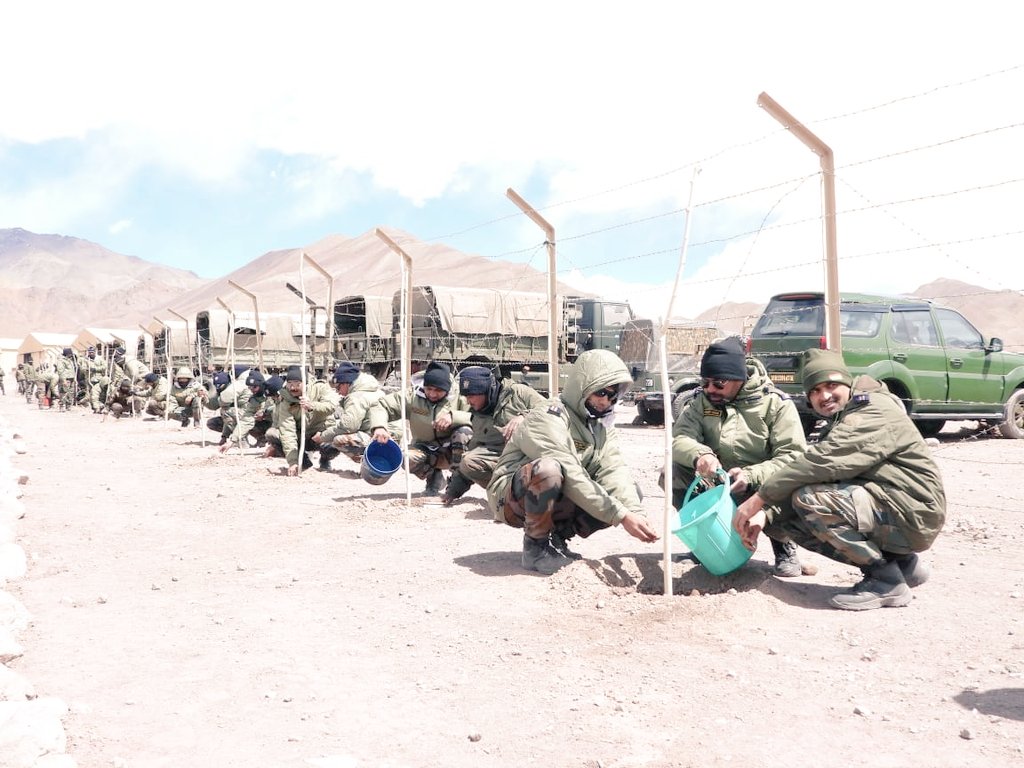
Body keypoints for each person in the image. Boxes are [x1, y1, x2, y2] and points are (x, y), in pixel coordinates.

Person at [733, 349, 947, 611]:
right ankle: (902, 564)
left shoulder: (872, 410)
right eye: (815, 390)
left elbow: (821, 461)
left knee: (811, 500)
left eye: (831, 385)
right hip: (897, 508)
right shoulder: (845, 416)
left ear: (847, 382)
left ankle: (885, 581)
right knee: (789, 515)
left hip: (914, 513)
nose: (824, 396)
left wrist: (759, 499)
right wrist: (767, 515)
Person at [488, 349, 660, 575]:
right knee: (549, 469)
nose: (606, 401)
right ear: (583, 385)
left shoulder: (599, 426)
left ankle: (557, 539)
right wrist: (619, 515)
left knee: (630, 494)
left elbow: (613, 470)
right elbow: (569, 471)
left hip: (561, 487)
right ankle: (535, 549)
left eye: (613, 396)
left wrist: (634, 512)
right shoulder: (548, 417)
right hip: (511, 497)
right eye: (601, 392)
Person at [669, 337, 809, 577]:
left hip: (760, 483)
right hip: (718, 481)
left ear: (739, 378)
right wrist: (699, 455)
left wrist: (752, 474)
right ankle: (707, 542)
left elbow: (793, 457)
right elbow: (680, 438)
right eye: (705, 382)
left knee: (789, 485)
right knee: (673, 472)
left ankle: (784, 546)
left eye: (718, 383)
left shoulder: (775, 404)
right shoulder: (701, 401)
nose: (710, 389)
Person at [442, 366, 546, 505]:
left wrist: (524, 416)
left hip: (532, 456)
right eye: (466, 397)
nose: (468, 402)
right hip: (506, 464)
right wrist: (452, 492)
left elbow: (550, 408)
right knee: (468, 462)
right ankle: (509, 495)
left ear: (485, 390)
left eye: (471, 396)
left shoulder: (518, 393)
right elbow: (475, 452)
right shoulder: (479, 414)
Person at [368, 361, 473, 495]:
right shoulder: (413, 395)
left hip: (453, 449)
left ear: (447, 389)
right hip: (424, 448)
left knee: (464, 432)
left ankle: (456, 483)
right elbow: (381, 405)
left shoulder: (460, 396)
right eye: (429, 389)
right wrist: (379, 427)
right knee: (406, 457)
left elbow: (476, 417)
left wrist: (454, 416)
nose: (432, 394)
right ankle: (434, 477)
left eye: (438, 391)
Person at [313, 362, 390, 468]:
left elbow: (348, 426)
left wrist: (322, 437)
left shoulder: (356, 397)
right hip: (391, 436)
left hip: (378, 438)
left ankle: (369, 463)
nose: (338, 392)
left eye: (338, 388)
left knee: (338, 440)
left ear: (346, 383)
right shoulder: (375, 390)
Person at [269, 366, 340, 475]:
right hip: (301, 435)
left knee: (335, 441)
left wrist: (312, 405)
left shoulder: (320, 388)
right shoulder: (285, 400)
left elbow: (331, 406)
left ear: (305, 384)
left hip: (321, 433)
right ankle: (303, 461)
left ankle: (325, 459)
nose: (293, 388)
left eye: (297, 384)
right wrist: (292, 461)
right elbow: (287, 431)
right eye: (290, 384)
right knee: (273, 434)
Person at [217, 371, 278, 453]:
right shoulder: (254, 400)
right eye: (250, 388)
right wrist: (231, 441)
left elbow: (280, 409)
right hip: (267, 425)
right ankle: (263, 440)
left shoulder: (272, 392)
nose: (252, 390)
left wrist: (265, 412)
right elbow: (246, 421)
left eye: (255, 387)